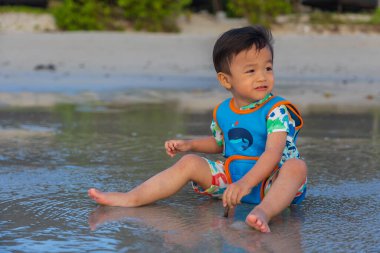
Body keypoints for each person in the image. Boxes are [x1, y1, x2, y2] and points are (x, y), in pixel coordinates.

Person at [88, 25, 308, 233]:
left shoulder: (276, 110)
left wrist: (246, 184)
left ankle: (263, 212)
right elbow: (221, 143)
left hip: (272, 184)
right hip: (233, 182)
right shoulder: (224, 111)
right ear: (226, 80)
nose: (262, 76)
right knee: (190, 162)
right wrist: (190, 144)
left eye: (268, 68)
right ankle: (133, 197)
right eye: (251, 71)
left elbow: (273, 152)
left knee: (296, 167)